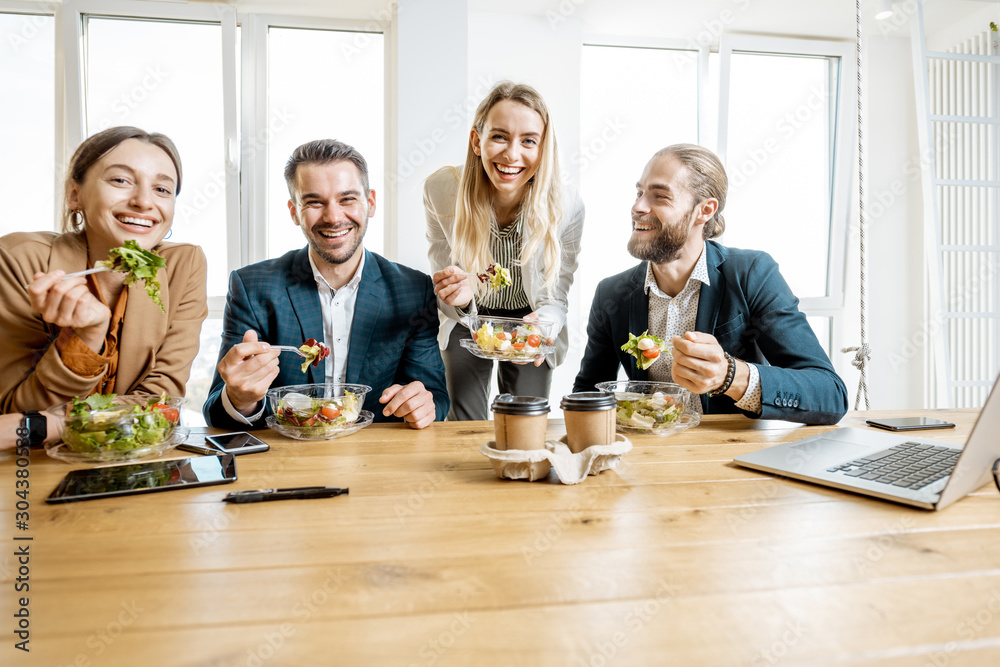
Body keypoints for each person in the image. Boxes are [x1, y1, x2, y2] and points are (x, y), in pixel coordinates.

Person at [573, 144, 848, 425]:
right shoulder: (612, 294)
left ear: (704, 210)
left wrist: (730, 376)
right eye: (639, 192)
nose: (638, 207)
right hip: (647, 455)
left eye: (660, 196)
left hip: (730, 456)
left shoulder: (753, 274)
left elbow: (830, 394)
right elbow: (587, 395)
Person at [203, 139, 448, 430]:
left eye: (347, 199)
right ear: (294, 211)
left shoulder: (413, 290)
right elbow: (216, 411)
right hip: (287, 460)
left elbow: (436, 397)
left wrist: (421, 404)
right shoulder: (252, 287)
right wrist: (240, 398)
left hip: (376, 459)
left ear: (369, 203)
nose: (333, 217)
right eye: (314, 202)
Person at [0, 126, 208, 448]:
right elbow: (16, 410)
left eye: (162, 190)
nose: (143, 202)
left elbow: (160, 405)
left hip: (139, 464)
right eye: (120, 180)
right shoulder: (18, 260)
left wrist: (56, 422)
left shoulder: (183, 265)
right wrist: (86, 339)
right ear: (75, 195)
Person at [425, 81, 584, 420]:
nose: (512, 155)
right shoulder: (441, 190)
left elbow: (557, 295)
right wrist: (461, 297)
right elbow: (444, 286)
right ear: (476, 141)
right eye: (499, 136)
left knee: (526, 418)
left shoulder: (566, 205)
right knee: (462, 417)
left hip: (530, 316)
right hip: (469, 319)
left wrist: (544, 325)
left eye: (529, 141)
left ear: (543, 149)